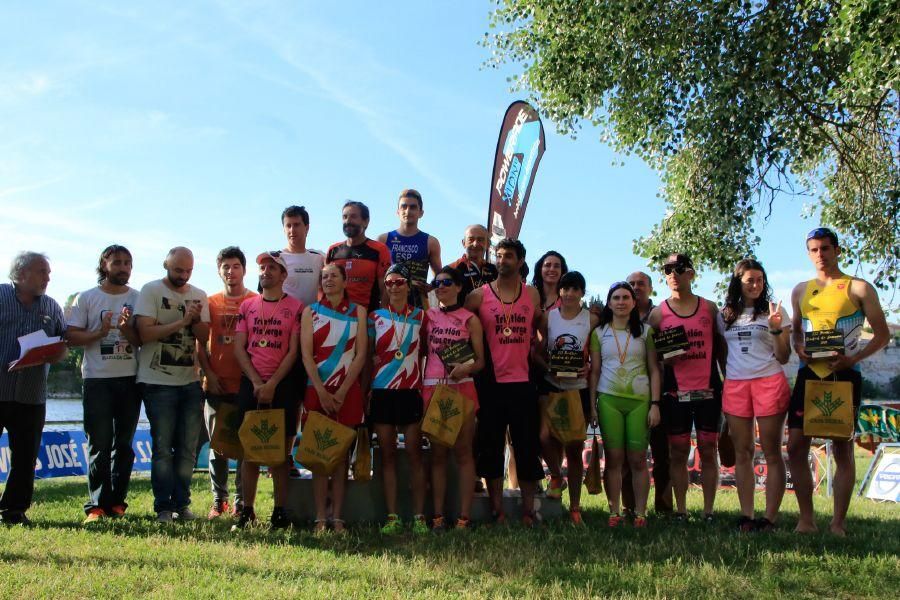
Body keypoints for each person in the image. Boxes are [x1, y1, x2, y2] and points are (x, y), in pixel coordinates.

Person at [787, 228, 889, 536]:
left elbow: (883, 335)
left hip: (844, 374)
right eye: (814, 250)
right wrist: (799, 348)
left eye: (826, 248)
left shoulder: (858, 288)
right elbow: (796, 331)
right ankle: (806, 520)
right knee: (794, 447)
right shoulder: (800, 289)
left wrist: (852, 360)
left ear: (837, 250)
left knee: (843, 449)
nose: (820, 255)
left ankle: (838, 523)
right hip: (809, 374)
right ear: (808, 253)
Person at [465, 238, 543, 526]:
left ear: (520, 261)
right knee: (491, 447)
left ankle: (528, 510)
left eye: (508, 256)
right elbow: (463, 330)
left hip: (523, 382)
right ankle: (497, 510)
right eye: (498, 255)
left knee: (526, 447)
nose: (502, 260)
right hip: (491, 384)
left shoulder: (532, 295)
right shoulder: (477, 296)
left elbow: (540, 329)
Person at [66, 245, 142, 524]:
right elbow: (71, 337)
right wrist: (98, 332)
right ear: (104, 264)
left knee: (123, 444)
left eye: (128, 263)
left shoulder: (138, 298)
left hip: (130, 380)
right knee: (99, 443)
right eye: (117, 262)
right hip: (97, 379)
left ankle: (117, 503)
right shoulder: (86, 298)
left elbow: (142, 341)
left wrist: (125, 329)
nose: (123, 267)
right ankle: (96, 505)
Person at [135, 247, 210, 523]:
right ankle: (163, 507)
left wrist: (197, 320)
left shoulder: (199, 295)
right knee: (163, 447)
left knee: (188, 448)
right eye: (178, 269)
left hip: (189, 381)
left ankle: (183, 503)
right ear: (166, 264)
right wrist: (182, 321)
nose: (183, 275)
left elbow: (204, 336)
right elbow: (144, 333)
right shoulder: (151, 291)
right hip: (157, 382)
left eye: (188, 270)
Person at [648, 253, 724, 522]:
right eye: (668, 270)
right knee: (678, 451)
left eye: (679, 269)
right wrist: (664, 357)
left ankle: (708, 511)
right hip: (675, 393)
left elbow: (724, 349)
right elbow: (651, 357)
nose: (673, 275)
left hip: (708, 391)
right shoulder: (658, 313)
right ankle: (681, 510)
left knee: (707, 449)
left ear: (691, 273)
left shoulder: (710, 309)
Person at [231, 252, 303, 531]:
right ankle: (247, 510)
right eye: (263, 267)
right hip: (252, 382)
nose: (266, 271)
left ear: (284, 275)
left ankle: (280, 512)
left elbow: (293, 350)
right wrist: (257, 382)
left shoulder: (296, 307)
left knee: (281, 452)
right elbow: (239, 347)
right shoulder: (247, 305)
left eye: (273, 268)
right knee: (250, 449)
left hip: (283, 384)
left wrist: (272, 384)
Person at [719, 258, 792, 532]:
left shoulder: (775, 312)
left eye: (760, 280)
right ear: (738, 282)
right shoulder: (725, 314)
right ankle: (746, 515)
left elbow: (784, 356)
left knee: (772, 452)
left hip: (768, 381)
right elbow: (723, 354)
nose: (756, 285)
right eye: (750, 280)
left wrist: (775, 330)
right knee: (743, 452)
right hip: (736, 384)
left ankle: (769, 518)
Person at [0, 252, 67, 525]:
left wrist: (53, 354)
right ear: (21, 273)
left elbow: (63, 345)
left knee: (26, 456)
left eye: (48, 273)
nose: (48, 278)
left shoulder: (51, 307)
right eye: (42, 271)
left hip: (31, 394)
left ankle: (14, 510)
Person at [300, 264, 367, 533]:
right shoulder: (310, 312)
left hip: (346, 392)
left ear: (344, 280)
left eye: (333, 276)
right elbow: (306, 355)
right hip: (316, 390)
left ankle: (337, 516)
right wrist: (321, 391)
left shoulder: (359, 312)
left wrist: (340, 392)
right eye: (324, 276)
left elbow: (361, 355)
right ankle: (319, 516)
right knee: (319, 457)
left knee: (339, 458)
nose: (328, 280)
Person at [589, 281, 661, 527]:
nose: (621, 302)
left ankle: (640, 513)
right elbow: (595, 371)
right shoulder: (599, 333)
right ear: (609, 303)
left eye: (625, 298)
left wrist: (655, 404)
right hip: (609, 399)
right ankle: (614, 512)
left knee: (639, 459)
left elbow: (654, 369)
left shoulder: (646, 331)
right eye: (616, 298)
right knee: (614, 458)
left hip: (640, 402)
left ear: (634, 302)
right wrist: (591, 406)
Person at [422, 266, 484, 531]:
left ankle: (463, 517)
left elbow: (480, 361)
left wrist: (465, 368)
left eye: (447, 282)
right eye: (437, 282)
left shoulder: (470, 319)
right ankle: (437, 516)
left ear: (459, 287)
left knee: (463, 453)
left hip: (463, 388)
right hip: (433, 387)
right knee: (437, 455)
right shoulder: (428, 317)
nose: (442, 286)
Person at [367, 264, 428, 534]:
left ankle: (419, 516)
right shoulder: (375, 317)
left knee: (415, 455)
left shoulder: (421, 317)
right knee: (388, 456)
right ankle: (392, 516)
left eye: (399, 282)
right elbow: (366, 354)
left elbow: (427, 351)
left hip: (410, 390)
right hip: (382, 391)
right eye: (389, 283)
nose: (394, 287)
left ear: (408, 285)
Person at [534, 271, 598, 525]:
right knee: (544, 437)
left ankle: (574, 507)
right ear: (559, 292)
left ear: (582, 292)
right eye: (565, 289)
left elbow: (595, 355)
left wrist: (589, 367)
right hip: (552, 386)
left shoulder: (591, 319)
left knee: (574, 448)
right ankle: (556, 476)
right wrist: (547, 366)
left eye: (575, 289)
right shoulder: (549, 317)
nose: (570, 294)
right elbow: (536, 352)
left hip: (578, 388)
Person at [197, 246, 255, 520]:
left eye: (235, 266)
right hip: (216, 385)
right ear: (219, 271)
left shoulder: (255, 301)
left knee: (245, 447)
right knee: (218, 447)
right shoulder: (210, 302)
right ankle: (219, 500)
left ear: (244, 269)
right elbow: (200, 343)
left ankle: (242, 502)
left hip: (245, 385)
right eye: (225, 267)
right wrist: (208, 373)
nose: (230, 272)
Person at [621, 270, 672, 516]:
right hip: (626, 394)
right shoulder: (618, 317)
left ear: (651, 288)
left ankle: (664, 507)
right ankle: (629, 506)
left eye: (641, 283)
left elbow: (669, 354)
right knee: (629, 456)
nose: (636, 287)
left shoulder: (661, 315)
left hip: (657, 393)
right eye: (631, 283)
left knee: (662, 454)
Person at [377, 189, 442, 308]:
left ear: (421, 212)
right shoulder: (383, 239)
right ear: (397, 211)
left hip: (418, 304)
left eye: (413, 207)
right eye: (404, 206)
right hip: (388, 302)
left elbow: (440, 275)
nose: (408, 211)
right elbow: (377, 275)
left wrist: (431, 286)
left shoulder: (431, 242)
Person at [326, 201, 392, 313]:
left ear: (366, 221)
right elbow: (325, 287)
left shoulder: (379, 249)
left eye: (353, 217)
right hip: (335, 317)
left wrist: (382, 317)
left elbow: (385, 289)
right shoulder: (333, 250)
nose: (347, 221)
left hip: (367, 318)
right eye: (345, 217)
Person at [280, 205, 325, 307]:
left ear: (307, 227)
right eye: (288, 226)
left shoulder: (320, 257)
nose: (292, 230)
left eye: (296, 225)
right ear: (284, 229)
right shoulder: (277, 259)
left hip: (311, 320)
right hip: (286, 320)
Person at [448, 224, 498, 305]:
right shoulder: (451, 269)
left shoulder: (496, 271)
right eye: (471, 239)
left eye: (480, 240)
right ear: (463, 243)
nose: (475, 244)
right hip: (461, 317)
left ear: (488, 244)